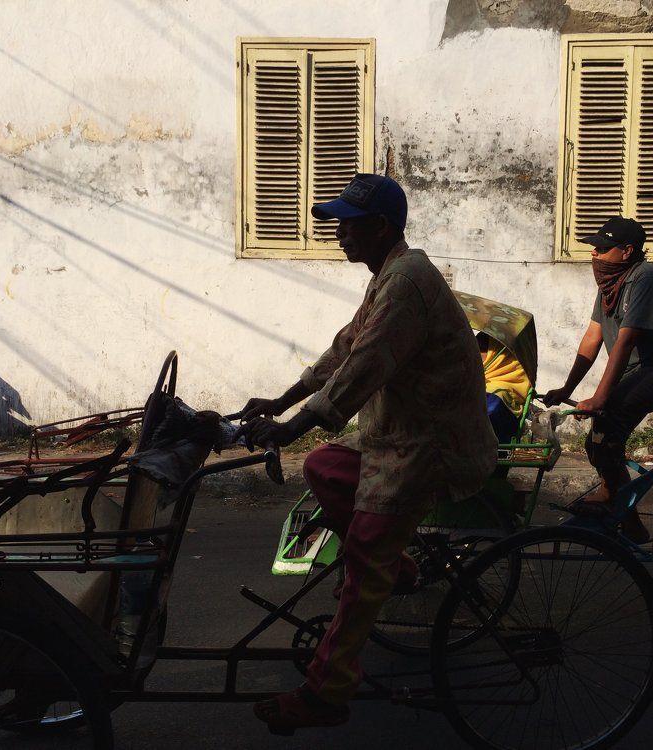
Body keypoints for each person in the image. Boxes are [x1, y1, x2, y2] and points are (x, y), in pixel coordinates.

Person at [237, 174, 497, 734]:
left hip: (431, 444)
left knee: (361, 565)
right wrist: (285, 399)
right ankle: (396, 566)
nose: (338, 234)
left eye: (347, 224)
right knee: (325, 467)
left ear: (380, 227)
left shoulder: (407, 282)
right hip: (396, 437)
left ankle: (327, 691)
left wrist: (293, 426)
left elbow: (365, 365)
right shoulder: (390, 275)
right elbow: (345, 348)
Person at [542, 217, 653, 543]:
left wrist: (600, 399)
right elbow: (592, 338)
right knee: (597, 440)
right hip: (641, 371)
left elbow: (625, 341)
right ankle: (624, 515)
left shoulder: (645, 278)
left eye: (602, 249)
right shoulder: (609, 287)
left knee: (608, 424)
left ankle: (621, 510)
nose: (594, 256)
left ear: (627, 251)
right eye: (594, 249)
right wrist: (566, 389)